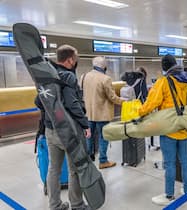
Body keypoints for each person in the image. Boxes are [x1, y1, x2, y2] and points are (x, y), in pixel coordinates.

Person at [35, 45, 91, 210]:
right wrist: (85, 124)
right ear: (70, 60)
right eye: (76, 58)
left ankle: (55, 205)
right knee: (75, 169)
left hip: (50, 130)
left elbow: (38, 101)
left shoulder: (47, 74)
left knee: (54, 169)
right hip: (68, 131)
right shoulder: (68, 77)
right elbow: (73, 105)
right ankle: (77, 204)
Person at [138, 54, 187, 206]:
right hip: (184, 126)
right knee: (185, 160)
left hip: (169, 127)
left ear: (164, 67)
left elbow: (150, 104)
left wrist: (139, 112)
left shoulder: (163, 82)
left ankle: (169, 195)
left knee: (169, 163)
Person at [81, 56, 124, 169]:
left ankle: (88, 160)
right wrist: (123, 101)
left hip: (88, 114)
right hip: (102, 115)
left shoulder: (84, 76)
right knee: (103, 137)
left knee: (89, 137)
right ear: (104, 66)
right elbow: (112, 97)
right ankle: (103, 161)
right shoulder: (105, 79)